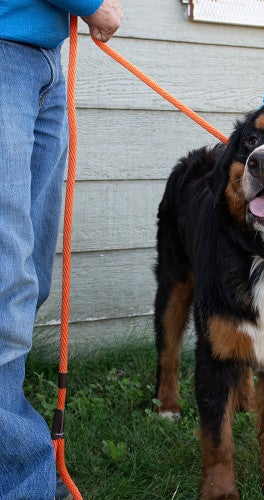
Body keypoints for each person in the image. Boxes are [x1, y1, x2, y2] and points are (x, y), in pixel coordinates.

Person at [0, 1, 123, 498]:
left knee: (27, 279)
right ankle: (21, 484)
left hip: (43, 59)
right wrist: (92, 5)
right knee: (6, 281)